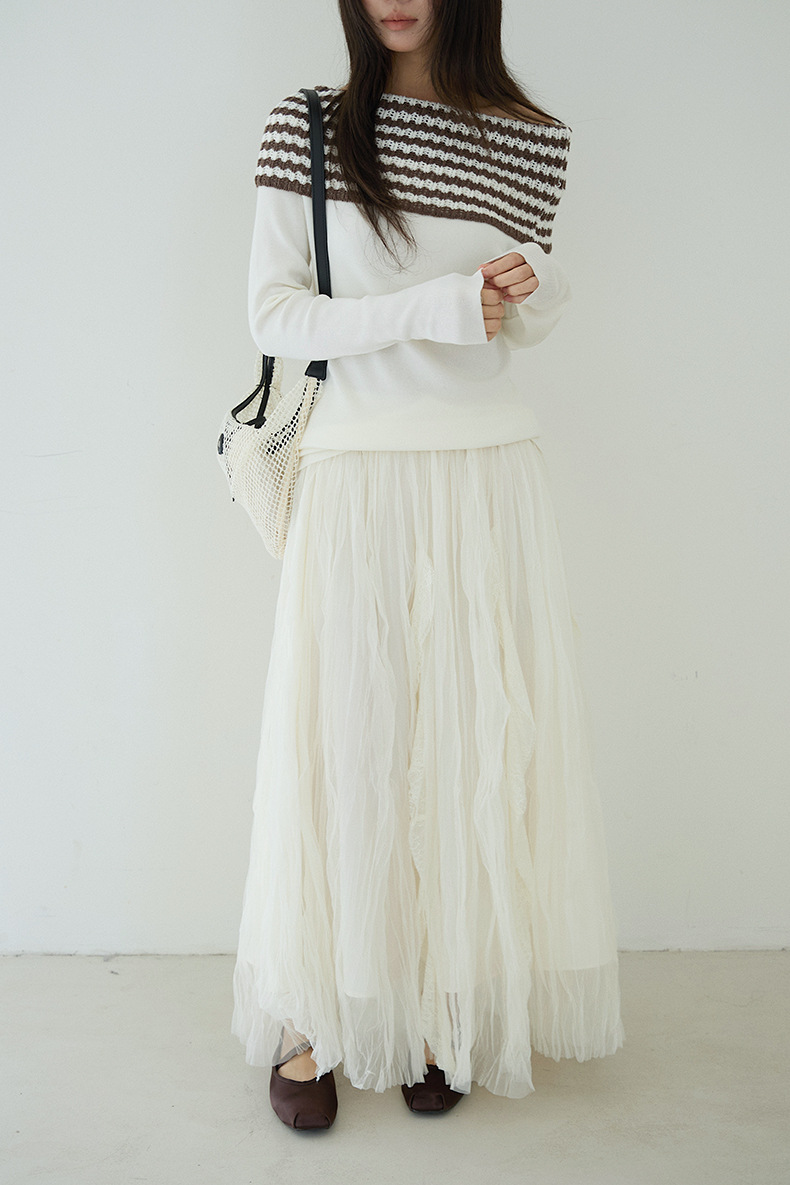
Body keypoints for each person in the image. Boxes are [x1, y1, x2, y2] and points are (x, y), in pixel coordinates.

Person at [230, 0, 625, 1130]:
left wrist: (533, 291)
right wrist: (439, 306)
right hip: (355, 476)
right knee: (344, 745)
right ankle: (316, 1014)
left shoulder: (531, 138)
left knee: (470, 744)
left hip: (488, 476)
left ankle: (442, 1008)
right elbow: (274, 315)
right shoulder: (309, 124)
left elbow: (523, 320)